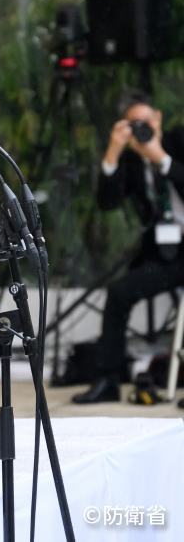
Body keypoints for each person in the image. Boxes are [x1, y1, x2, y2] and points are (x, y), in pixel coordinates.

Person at [73, 89, 184, 404]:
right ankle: (107, 380)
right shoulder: (132, 160)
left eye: (147, 121)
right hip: (169, 256)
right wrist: (113, 152)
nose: (143, 129)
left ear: (158, 118)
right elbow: (107, 202)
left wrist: (161, 159)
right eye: (134, 124)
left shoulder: (179, 142)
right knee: (119, 292)